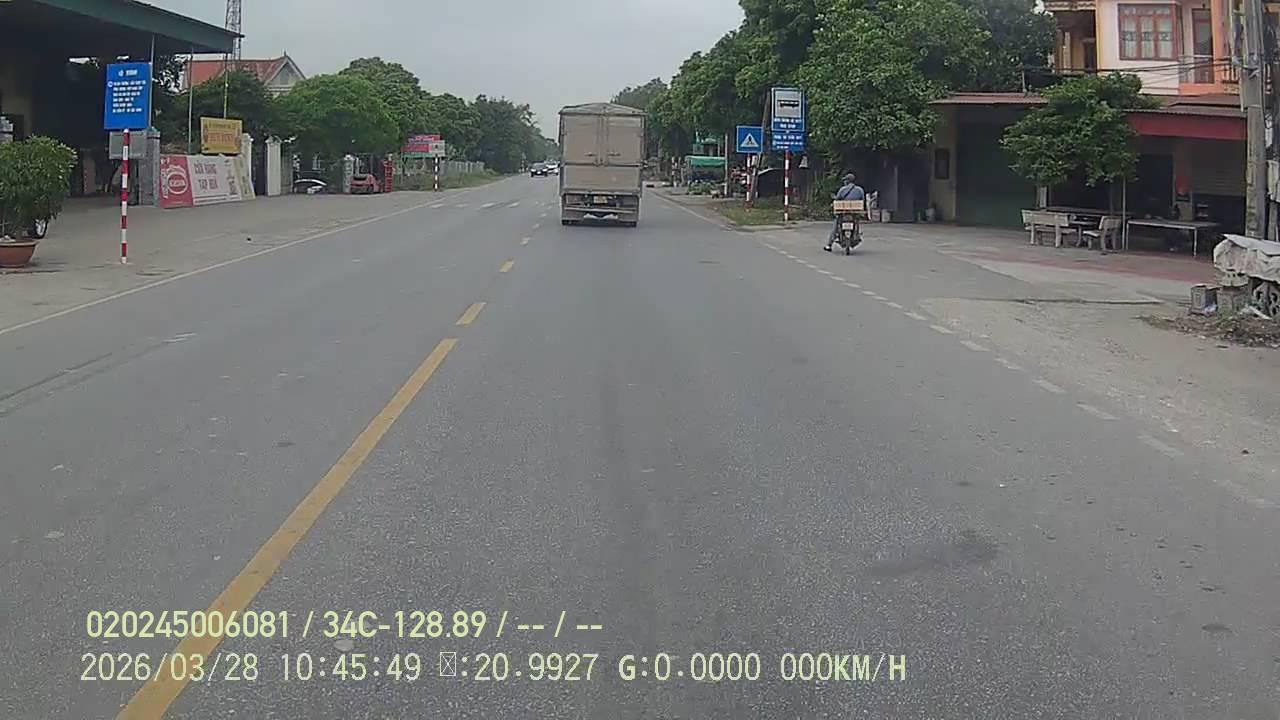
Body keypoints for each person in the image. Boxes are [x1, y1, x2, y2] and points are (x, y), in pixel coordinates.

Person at [826, 173, 866, 252]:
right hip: (854, 212)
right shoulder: (860, 190)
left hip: (843, 212)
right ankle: (856, 236)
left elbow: (837, 199)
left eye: (845, 180)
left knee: (836, 226)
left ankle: (829, 244)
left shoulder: (842, 189)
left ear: (847, 181)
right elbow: (862, 200)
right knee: (856, 223)